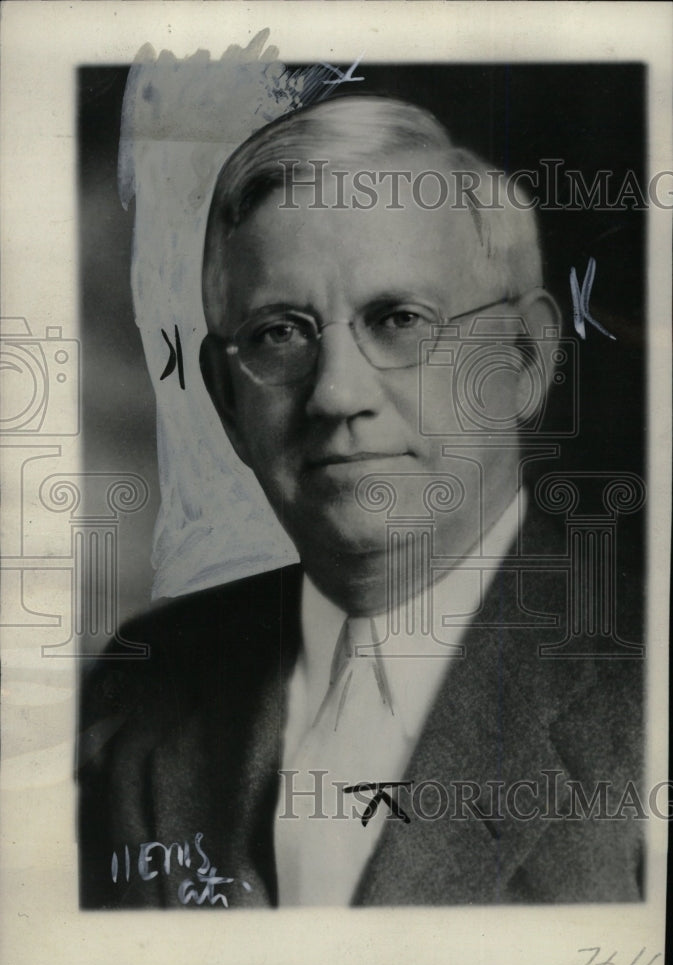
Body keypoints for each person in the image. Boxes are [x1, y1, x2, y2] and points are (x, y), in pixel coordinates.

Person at [78, 95, 643, 908]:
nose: (336, 394)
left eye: (399, 319)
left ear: (521, 359)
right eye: (280, 332)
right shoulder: (145, 682)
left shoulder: (640, 690)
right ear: (227, 401)